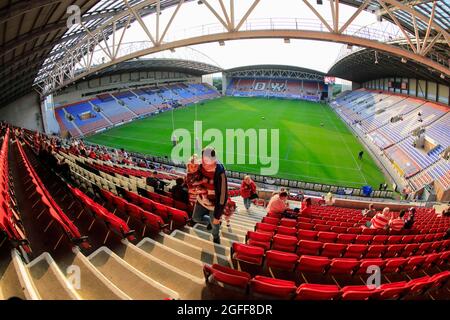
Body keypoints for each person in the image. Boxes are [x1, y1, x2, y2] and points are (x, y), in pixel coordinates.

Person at [191, 147, 228, 245]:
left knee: (215, 224)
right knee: (195, 218)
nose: (205, 163)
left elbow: (223, 196)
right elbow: (193, 178)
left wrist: (217, 216)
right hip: (202, 198)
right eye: (203, 160)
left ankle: (216, 236)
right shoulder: (199, 166)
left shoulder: (220, 172)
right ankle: (210, 223)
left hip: (214, 204)